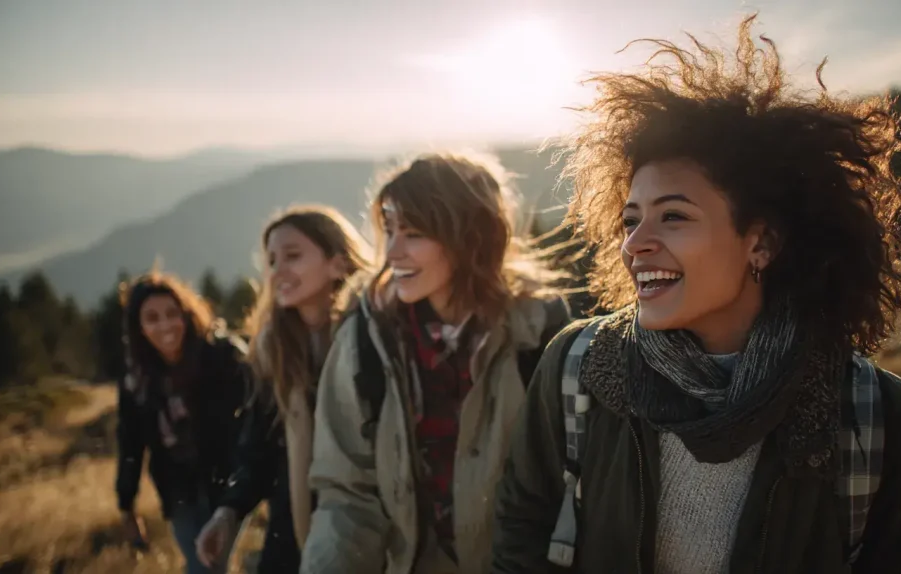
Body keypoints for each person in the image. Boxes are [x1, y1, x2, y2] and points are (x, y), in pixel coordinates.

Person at [491, 16, 901, 574]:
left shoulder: (877, 416)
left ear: (760, 243)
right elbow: (521, 532)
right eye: (630, 219)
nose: (636, 244)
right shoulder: (577, 369)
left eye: (674, 216)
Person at [300, 152, 572, 574]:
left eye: (414, 234)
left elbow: (566, 488)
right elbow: (347, 496)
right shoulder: (366, 341)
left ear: (468, 237)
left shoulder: (541, 336)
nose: (392, 252)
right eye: (389, 232)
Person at [194, 205, 372, 573]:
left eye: (293, 256)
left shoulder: (375, 341)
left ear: (338, 264)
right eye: (272, 261)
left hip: (371, 529)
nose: (278, 271)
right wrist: (229, 511)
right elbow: (257, 447)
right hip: (294, 529)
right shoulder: (273, 351)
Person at [116, 271, 250, 574]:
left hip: (226, 483)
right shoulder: (136, 381)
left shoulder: (220, 358)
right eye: (151, 318)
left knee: (208, 566)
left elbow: (257, 415)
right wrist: (127, 505)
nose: (164, 325)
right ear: (138, 328)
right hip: (178, 491)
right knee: (199, 563)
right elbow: (130, 443)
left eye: (171, 314)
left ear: (186, 314)